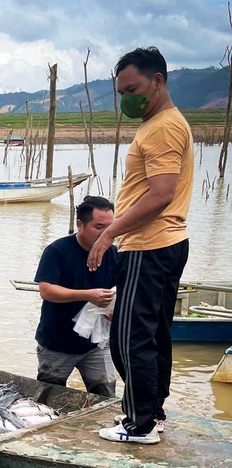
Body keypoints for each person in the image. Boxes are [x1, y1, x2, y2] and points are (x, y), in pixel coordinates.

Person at [88, 46, 194, 444]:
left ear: (158, 81)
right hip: (165, 243)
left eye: (132, 89)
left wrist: (110, 232)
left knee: (130, 338)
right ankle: (153, 412)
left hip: (150, 245)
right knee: (153, 334)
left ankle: (140, 423)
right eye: (120, 92)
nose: (126, 99)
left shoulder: (164, 126)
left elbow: (160, 194)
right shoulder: (161, 123)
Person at [34, 195, 119, 396]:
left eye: (111, 228)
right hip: (57, 341)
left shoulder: (114, 254)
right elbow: (46, 290)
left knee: (105, 392)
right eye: (99, 227)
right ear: (80, 224)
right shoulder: (57, 251)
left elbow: (122, 288)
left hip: (96, 342)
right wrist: (87, 295)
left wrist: (116, 310)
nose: (107, 233)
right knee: (49, 397)